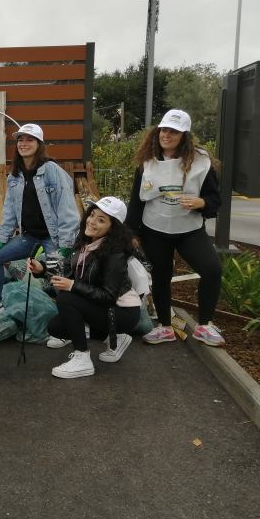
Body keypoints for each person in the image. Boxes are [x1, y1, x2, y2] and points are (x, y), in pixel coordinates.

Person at [125, 109, 224, 346]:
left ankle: (204, 325)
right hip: (155, 228)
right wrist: (131, 233)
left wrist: (201, 203)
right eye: (164, 130)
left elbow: (215, 200)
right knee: (161, 276)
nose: (166, 135)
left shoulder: (201, 162)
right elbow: (137, 200)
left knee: (212, 269)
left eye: (174, 132)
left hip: (189, 229)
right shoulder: (146, 162)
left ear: (185, 136)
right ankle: (165, 328)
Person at [29, 197, 143, 379]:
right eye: (92, 215)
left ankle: (82, 358)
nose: (91, 221)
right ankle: (114, 339)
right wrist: (42, 271)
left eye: (101, 220)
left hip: (123, 311)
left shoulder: (115, 253)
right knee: (56, 327)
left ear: (113, 228)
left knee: (66, 298)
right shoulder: (84, 243)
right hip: (103, 307)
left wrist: (72, 286)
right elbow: (68, 274)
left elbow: (108, 296)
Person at [0, 123, 80, 307]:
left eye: (30, 140)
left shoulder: (51, 170)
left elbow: (67, 209)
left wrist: (66, 245)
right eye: (21, 140)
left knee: (58, 274)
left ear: (39, 144)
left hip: (53, 238)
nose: (24, 143)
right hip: (29, 237)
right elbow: (10, 209)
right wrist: (2, 238)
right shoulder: (15, 176)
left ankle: (72, 318)